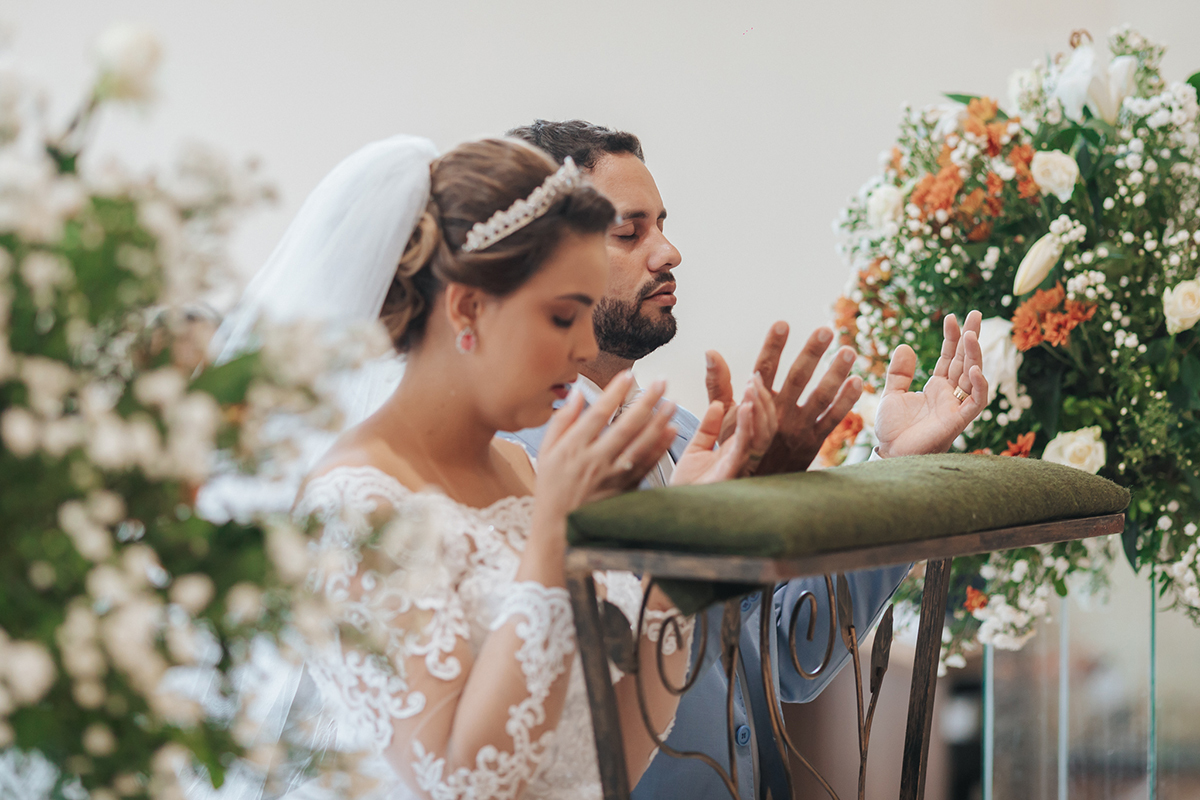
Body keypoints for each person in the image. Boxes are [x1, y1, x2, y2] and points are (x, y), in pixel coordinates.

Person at [211, 135, 774, 800]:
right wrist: (554, 538)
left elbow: (608, 761)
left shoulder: (521, 469)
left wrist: (682, 550)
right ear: (468, 308)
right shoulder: (355, 502)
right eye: (563, 315)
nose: (587, 345)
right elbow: (463, 782)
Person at [505, 119, 990, 800]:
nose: (669, 252)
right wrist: (696, 533)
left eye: (662, 225)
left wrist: (894, 466)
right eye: (629, 232)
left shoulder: (685, 435)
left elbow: (794, 656)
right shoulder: (509, 464)